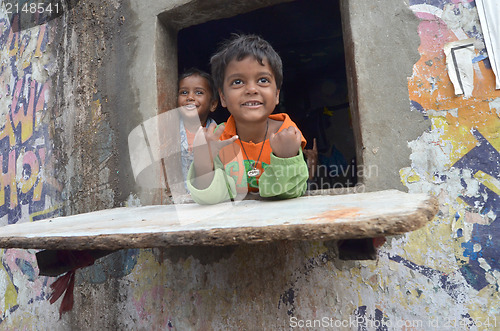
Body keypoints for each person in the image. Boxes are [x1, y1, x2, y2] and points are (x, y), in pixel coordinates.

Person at [187, 34, 308, 204]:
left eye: (263, 80)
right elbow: (211, 199)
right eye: (237, 82)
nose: (251, 89)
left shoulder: (288, 133)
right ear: (222, 97)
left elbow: (292, 192)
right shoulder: (218, 139)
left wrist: (286, 158)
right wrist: (203, 164)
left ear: (277, 94)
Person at [177, 68, 218, 183]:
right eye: (184, 92)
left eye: (199, 92)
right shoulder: (169, 132)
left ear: (213, 104)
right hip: (176, 199)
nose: (190, 97)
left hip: (207, 196)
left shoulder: (218, 133)